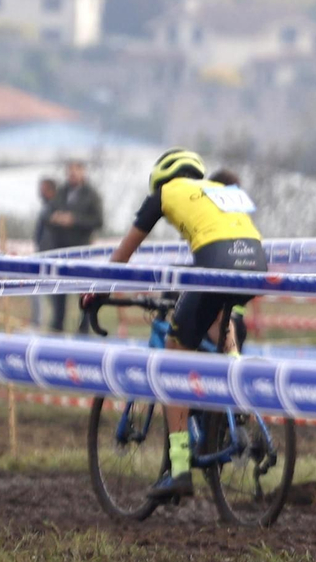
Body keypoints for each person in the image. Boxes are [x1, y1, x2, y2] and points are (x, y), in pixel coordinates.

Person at [96, 149, 267, 501]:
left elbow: (122, 257)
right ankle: (242, 400)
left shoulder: (164, 193)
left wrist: (95, 292)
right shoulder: (218, 192)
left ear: (161, 178)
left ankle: (179, 469)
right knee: (222, 321)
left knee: (173, 360)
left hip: (216, 264)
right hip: (257, 262)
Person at [45, 160, 105, 334]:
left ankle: (83, 330)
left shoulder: (92, 195)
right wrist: (56, 218)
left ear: (83, 172)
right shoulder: (61, 193)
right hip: (60, 252)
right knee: (58, 296)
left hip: (82, 253)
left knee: (84, 295)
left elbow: (98, 221)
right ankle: (56, 328)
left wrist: (74, 220)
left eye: (76, 170)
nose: (72, 174)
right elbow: (47, 214)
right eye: (70, 171)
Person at [32, 177, 59, 327]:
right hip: (42, 252)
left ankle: (44, 322)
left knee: (48, 291)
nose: (40, 192)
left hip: (49, 254)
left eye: (43, 188)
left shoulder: (55, 207)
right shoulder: (46, 207)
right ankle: (40, 321)